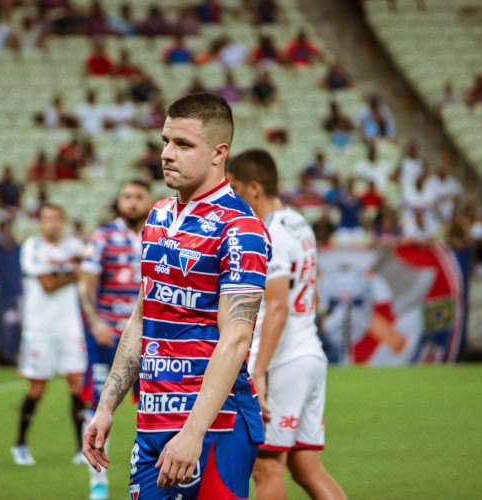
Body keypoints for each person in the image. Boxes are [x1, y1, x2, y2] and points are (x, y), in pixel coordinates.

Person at [83, 92, 270, 498]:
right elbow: (141, 318)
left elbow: (236, 338)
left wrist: (193, 432)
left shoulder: (242, 230)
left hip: (215, 427)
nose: (167, 154)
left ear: (219, 153)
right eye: (166, 141)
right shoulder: (158, 215)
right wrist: (106, 406)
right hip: (152, 419)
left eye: (183, 145)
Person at [226, 149, 347, 500]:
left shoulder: (270, 233)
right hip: (307, 352)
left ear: (253, 188)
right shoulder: (297, 222)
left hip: (284, 359)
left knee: (267, 467)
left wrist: (259, 371)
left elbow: (277, 306)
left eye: (233, 186)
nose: (230, 194)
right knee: (306, 468)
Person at [77, 180, 153, 499]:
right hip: (109, 336)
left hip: (150, 336)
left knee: (154, 405)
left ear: (149, 200)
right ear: (118, 201)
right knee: (98, 406)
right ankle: (98, 481)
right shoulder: (103, 236)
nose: (132, 202)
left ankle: (155, 473)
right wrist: (94, 322)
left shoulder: (162, 231)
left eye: (138, 197)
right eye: (126, 196)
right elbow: (85, 286)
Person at [12, 203, 88, 466]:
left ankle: (82, 448)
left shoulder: (73, 246)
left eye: (56, 218)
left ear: (63, 221)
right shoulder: (32, 247)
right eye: (46, 219)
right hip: (40, 327)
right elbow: (48, 284)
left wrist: (80, 269)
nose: (52, 223)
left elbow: (91, 258)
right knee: (37, 388)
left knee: (77, 383)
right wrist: (76, 273)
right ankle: (20, 444)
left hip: (69, 325)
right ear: (40, 222)